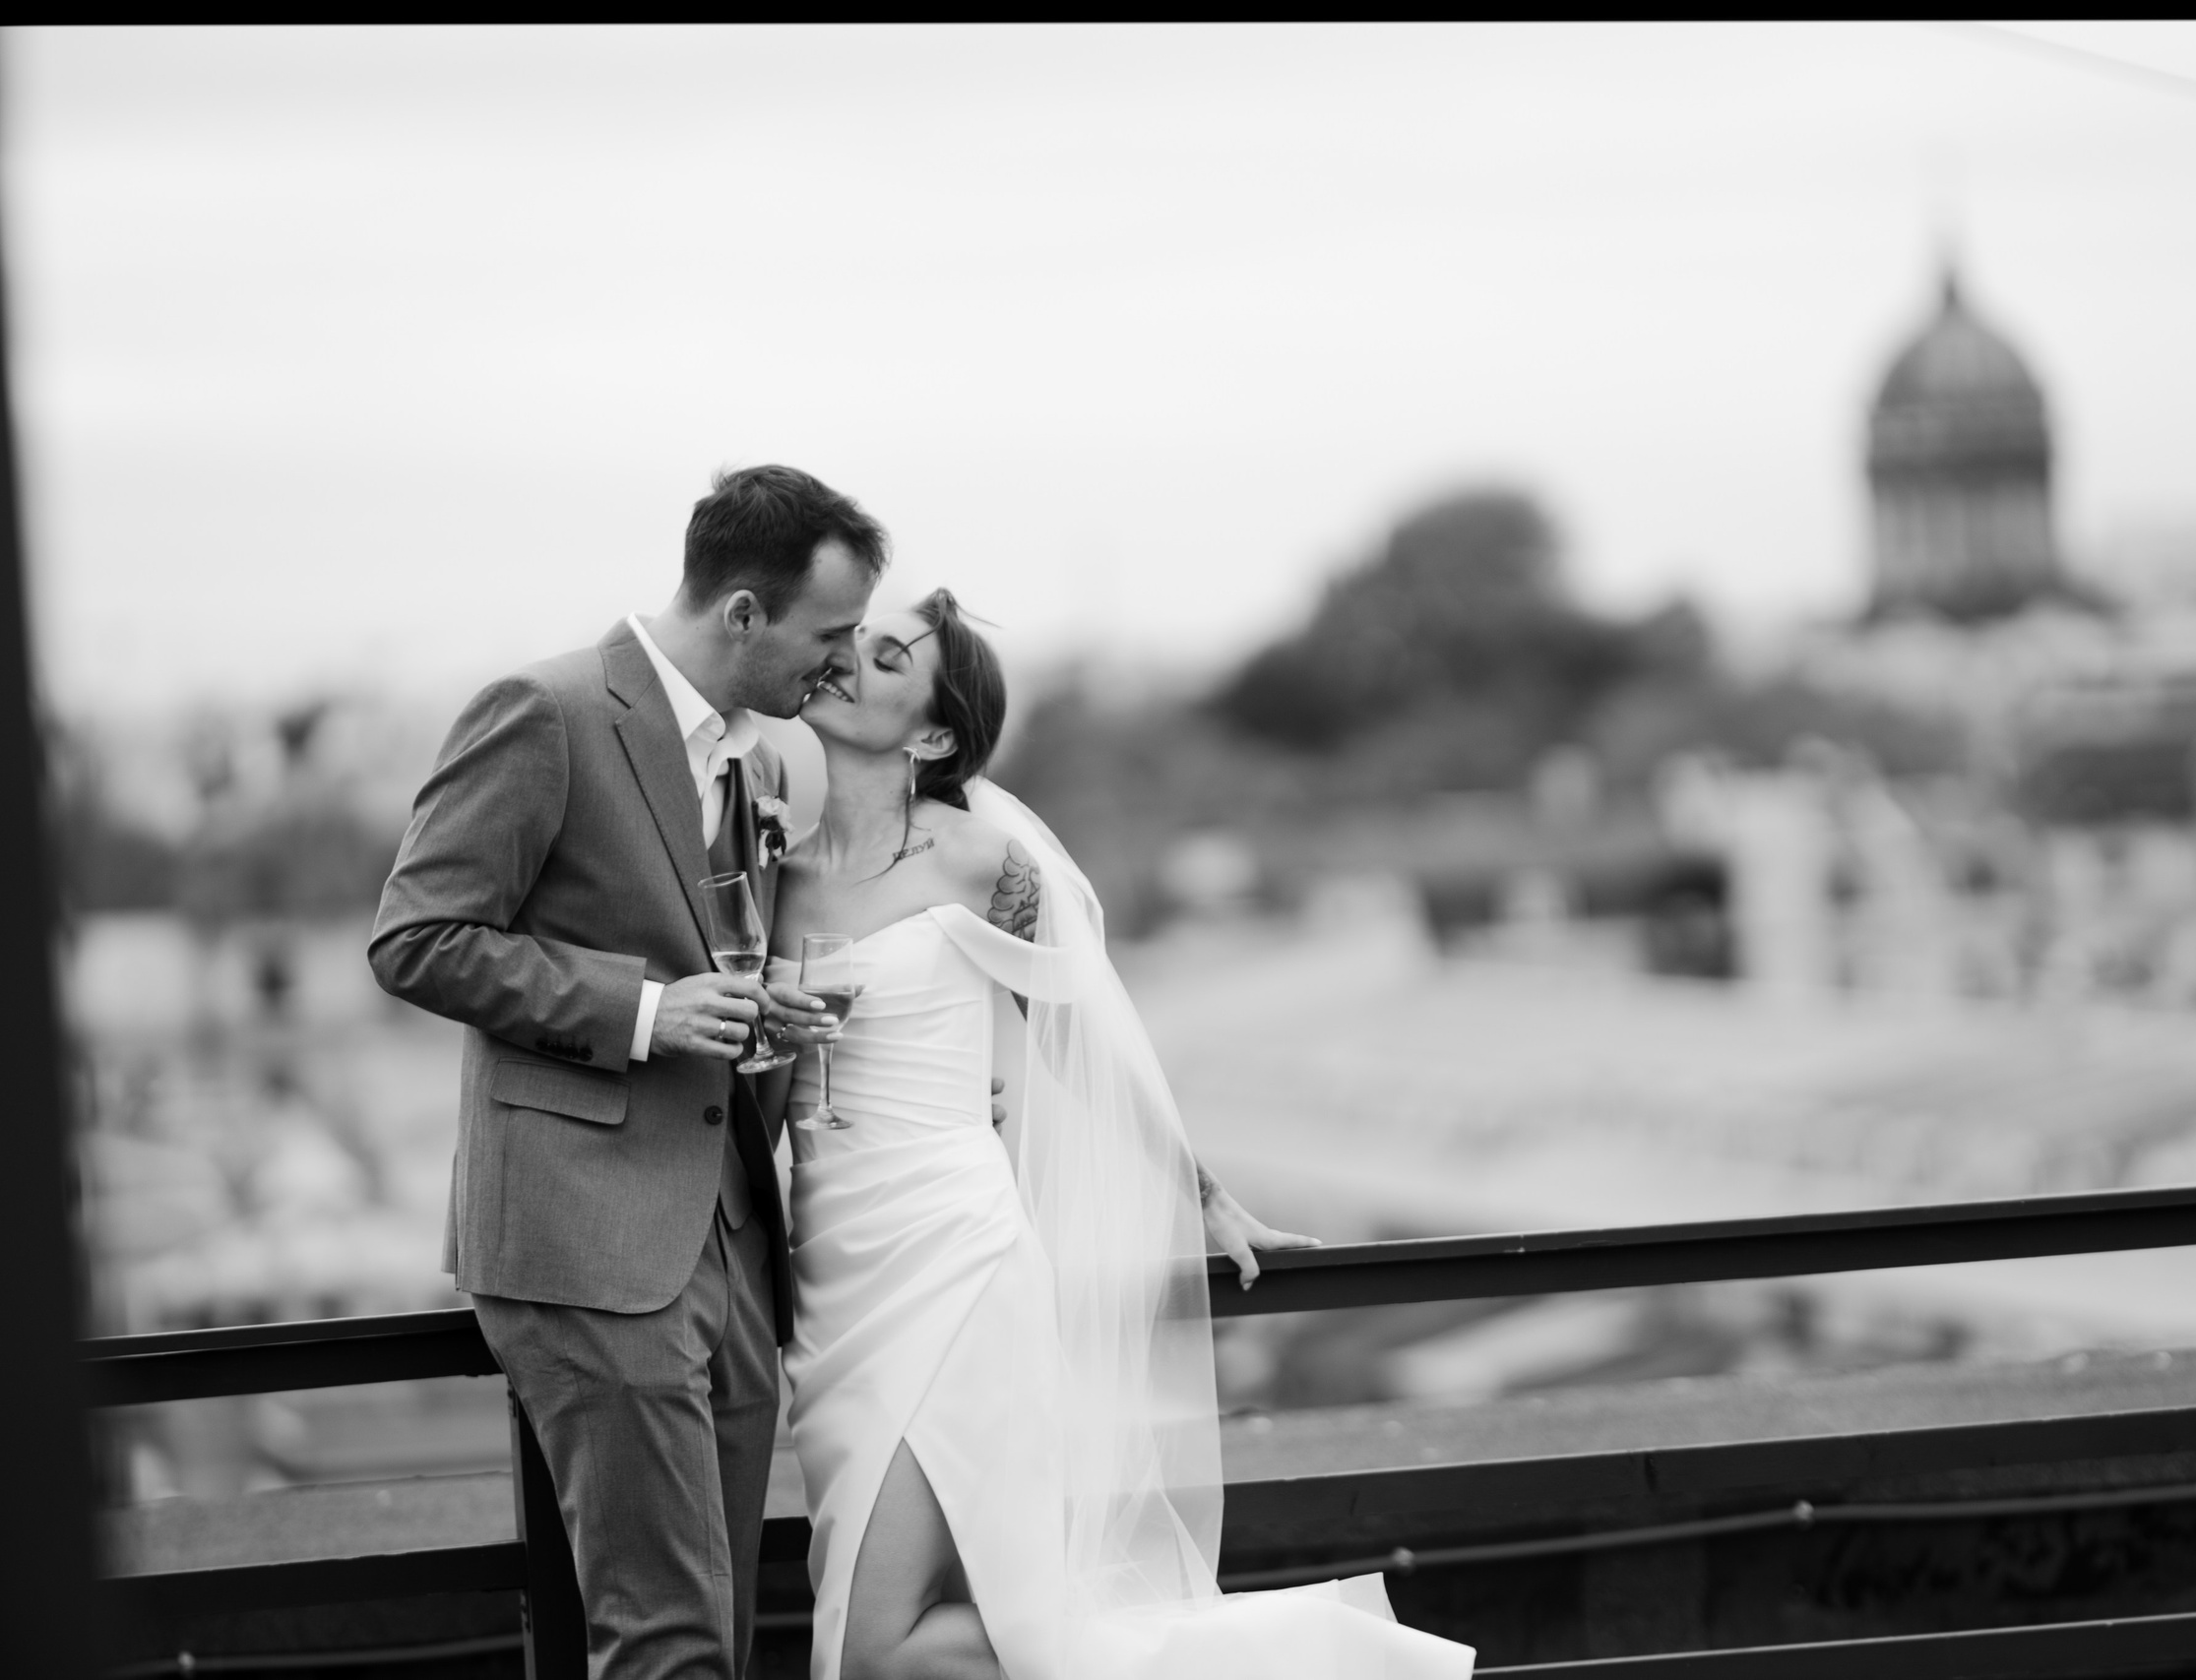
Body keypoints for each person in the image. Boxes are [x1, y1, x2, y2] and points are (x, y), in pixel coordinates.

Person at [764, 588, 1474, 1678]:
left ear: (938, 732)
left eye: (889, 657)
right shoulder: (775, 869)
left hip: (951, 1259)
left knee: (871, 1650)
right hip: (828, 1276)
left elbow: (1081, 1041)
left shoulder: (975, 863)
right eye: (854, 639)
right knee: (930, 1626)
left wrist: (1203, 1193)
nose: (852, 657)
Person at [370, 466, 875, 1677]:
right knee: (667, 1640)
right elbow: (416, 940)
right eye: (833, 633)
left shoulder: (752, 763)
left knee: (721, 1623)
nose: (848, 665)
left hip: (728, 1240)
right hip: (590, 1243)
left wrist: (755, 1016)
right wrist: (647, 1011)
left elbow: (697, 972)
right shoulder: (542, 710)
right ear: (744, 614)